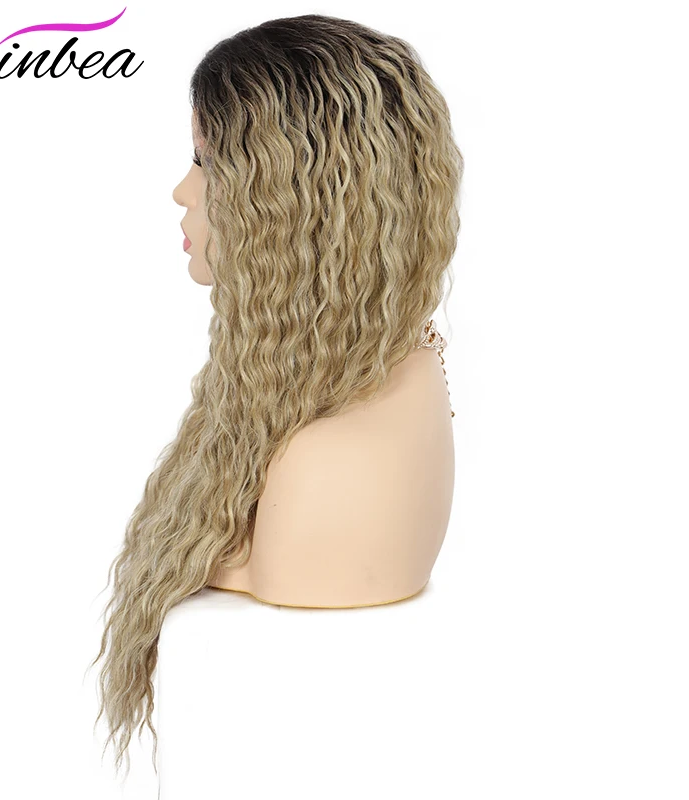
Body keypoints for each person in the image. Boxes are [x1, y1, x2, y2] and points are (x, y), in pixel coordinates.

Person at [91, 12, 464, 780]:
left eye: (207, 162)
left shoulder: (327, 472)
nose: (181, 191)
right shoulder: (370, 370)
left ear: (295, 198)